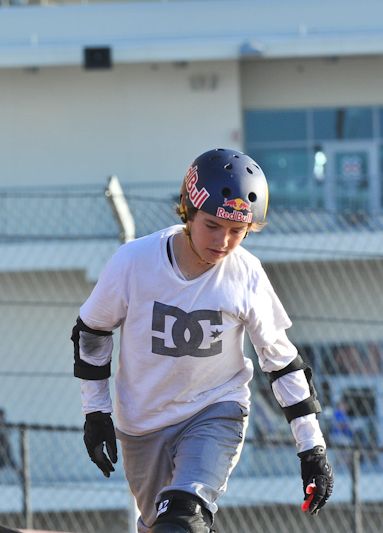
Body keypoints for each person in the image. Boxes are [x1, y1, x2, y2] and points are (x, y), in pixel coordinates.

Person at [72, 149, 334, 533]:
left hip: (215, 409)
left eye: (237, 231)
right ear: (188, 211)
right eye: (213, 225)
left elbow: (282, 363)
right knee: (160, 524)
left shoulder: (246, 274)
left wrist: (312, 449)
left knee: (184, 518)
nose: (224, 242)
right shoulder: (134, 263)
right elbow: (92, 333)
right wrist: (96, 413)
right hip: (143, 422)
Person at [0, 408, 18, 473]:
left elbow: (8, 433)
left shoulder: (4, 423)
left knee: (6, 458)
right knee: (0, 458)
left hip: (4, 443)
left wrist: (6, 437)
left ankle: (18, 471)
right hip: (0, 443)